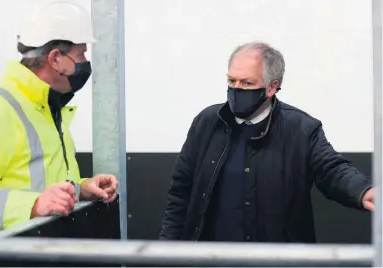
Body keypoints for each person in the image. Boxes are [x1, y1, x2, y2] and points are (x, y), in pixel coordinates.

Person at [159, 42, 374, 243]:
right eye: (231, 81)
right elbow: (180, 193)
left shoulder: (300, 128)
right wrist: (167, 251)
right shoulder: (206, 123)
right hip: (209, 259)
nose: (237, 88)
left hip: (276, 260)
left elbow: (332, 169)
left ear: (272, 88)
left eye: (247, 83)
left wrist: (362, 190)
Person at [0, 0, 118, 237]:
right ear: (55, 58)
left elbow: (42, 189)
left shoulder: (48, 111)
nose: (85, 62)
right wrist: (31, 206)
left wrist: (80, 190)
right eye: (81, 54)